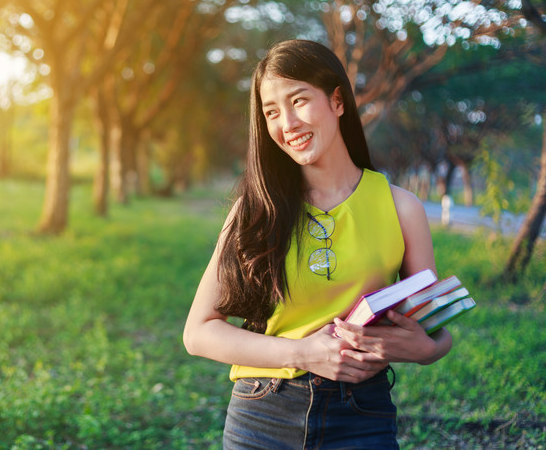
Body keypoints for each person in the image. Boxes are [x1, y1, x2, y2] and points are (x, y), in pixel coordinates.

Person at [183, 39, 452, 449]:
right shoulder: (253, 212)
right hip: (263, 414)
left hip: (362, 416)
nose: (286, 123)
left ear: (338, 101)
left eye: (299, 101)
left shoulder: (402, 208)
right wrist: (304, 353)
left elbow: (437, 332)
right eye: (271, 112)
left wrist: (423, 348)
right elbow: (198, 333)